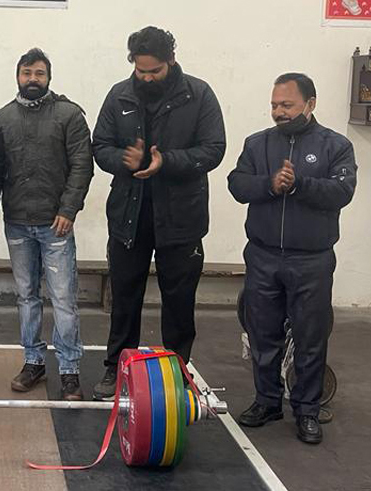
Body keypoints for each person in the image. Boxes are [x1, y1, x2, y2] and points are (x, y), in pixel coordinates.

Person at [91, 26, 226, 400]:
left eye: (155, 71)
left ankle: (178, 371)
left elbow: (214, 149)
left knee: (179, 302)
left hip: (181, 219)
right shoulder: (119, 95)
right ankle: (116, 368)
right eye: (140, 70)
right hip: (129, 217)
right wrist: (124, 159)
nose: (147, 77)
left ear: (172, 60)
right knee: (124, 298)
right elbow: (100, 145)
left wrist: (166, 161)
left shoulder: (199, 95)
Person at [228, 73, 357, 444]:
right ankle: (267, 401)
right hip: (263, 256)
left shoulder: (336, 146)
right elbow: (237, 184)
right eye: (274, 105)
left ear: (310, 104)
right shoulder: (257, 144)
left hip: (311, 260)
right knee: (262, 334)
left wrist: (300, 184)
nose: (279, 112)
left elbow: (342, 191)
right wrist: (270, 184)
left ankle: (307, 410)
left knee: (310, 337)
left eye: (287, 105)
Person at [0, 48, 93, 400]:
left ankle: (69, 369)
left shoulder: (69, 115)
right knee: (27, 297)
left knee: (63, 299)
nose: (33, 79)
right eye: (27, 72)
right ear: (18, 76)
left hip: (56, 225)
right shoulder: (3, 118)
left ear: (49, 77)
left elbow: (82, 165)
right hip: (17, 224)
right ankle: (33, 362)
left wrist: (68, 209)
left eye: (39, 73)